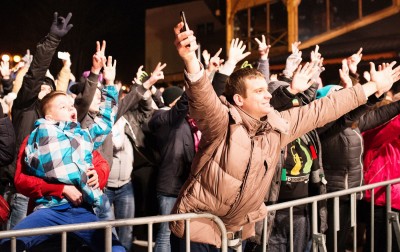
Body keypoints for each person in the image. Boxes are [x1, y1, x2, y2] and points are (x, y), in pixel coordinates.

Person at [169, 21, 400, 251]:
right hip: (196, 233)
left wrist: (371, 88)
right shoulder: (223, 123)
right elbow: (203, 98)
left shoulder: (276, 128)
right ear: (239, 100)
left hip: (232, 234)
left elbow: (324, 109)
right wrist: (190, 59)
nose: (268, 96)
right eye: (259, 91)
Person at [0, 56, 125, 252]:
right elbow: (22, 179)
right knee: (10, 242)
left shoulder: (82, 136)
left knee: (115, 248)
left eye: (71, 106)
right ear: (49, 117)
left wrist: (109, 83)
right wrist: (60, 189)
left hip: (83, 208)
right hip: (49, 209)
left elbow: (104, 124)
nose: (71, 109)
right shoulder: (37, 137)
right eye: (63, 107)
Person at [3, 12, 73, 230]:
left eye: (48, 87)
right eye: (40, 86)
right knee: (17, 241)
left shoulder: (57, 118)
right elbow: (34, 75)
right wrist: (52, 40)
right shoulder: (25, 106)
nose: (43, 88)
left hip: (51, 192)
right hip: (22, 189)